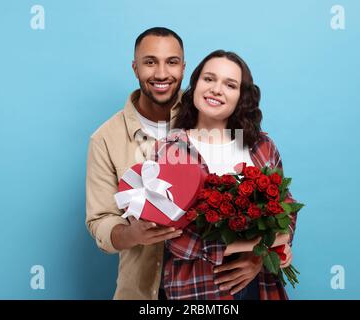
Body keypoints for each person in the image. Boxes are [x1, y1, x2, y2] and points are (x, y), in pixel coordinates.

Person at [85, 28, 264, 300]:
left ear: (184, 67)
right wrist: (132, 234)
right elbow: (100, 222)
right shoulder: (105, 139)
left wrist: (257, 255)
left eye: (171, 62)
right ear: (135, 68)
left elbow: (254, 180)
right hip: (144, 288)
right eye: (149, 62)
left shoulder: (209, 110)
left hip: (211, 285)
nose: (160, 74)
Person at [154, 50, 298, 300]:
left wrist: (261, 257)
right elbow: (176, 238)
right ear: (195, 84)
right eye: (209, 79)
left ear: (241, 96)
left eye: (230, 85)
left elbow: (286, 209)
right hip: (200, 288)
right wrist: (260, 247)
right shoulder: (173, 149)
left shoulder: (261, 145)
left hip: (260, 284)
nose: (216, 89)